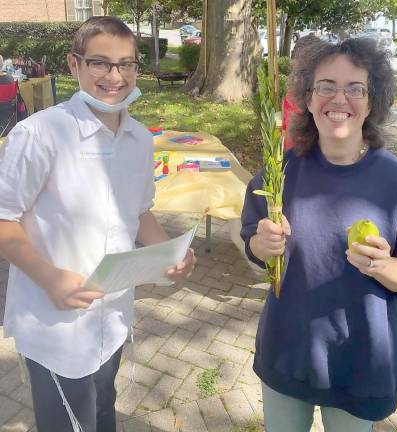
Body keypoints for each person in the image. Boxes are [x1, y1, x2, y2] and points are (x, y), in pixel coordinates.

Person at [0, 16, 196, 432]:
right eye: (100, 63)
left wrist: (169, 256)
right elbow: (3, 220)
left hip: (112, 318)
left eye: (126, 64)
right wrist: (50, 277)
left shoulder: (140, 138)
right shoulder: (39, 134)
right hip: (56, 328)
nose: (115, 76)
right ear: (74, 65)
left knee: (102, 415)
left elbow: (140, 212)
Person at [241, 37, 397, 432]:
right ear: (308, 97)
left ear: (373, 101)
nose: (340, 98)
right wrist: (260, 245)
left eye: (356, 88)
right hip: (289, 352)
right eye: (326, 86)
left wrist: (386, 267)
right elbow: (252, 238)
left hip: (360, 360)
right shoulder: (280, 170)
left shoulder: (394, 181)